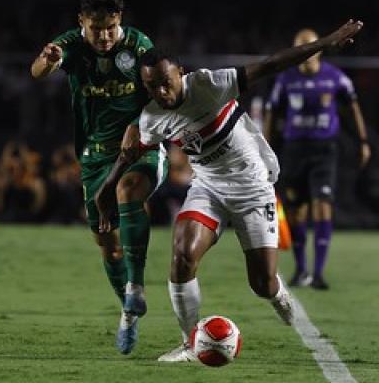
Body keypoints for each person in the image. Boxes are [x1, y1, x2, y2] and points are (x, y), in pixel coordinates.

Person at [95, 19, 363, 361]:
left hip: (253, 187)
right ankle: (189, 343)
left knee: (262, 285)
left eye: (166, 83)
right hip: (208, 189)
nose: (161, 93)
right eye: (151, 87)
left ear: (181, 72)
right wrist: (107, 188)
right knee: (181, 257)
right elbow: (129, 153)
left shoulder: (209, 84)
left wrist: (325, 42)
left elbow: (270, 64)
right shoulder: (153, 117)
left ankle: (279, 295)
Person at [30, 0, 167, 354]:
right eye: (95, 28)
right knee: (108, 246)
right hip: (94, 155)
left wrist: (145, 125)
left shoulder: (139, 47)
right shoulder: (71, 44)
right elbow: (39, 70)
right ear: (82, 22)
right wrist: (49, 59)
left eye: (110, 27)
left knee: (128, 191)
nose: (104, 36)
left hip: (142, 145)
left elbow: (162, 92)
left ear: (119, 20)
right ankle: (128, 312)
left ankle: (136, 286)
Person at [264, 28, 371, 290]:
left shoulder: (335, 78)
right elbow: (272, 112)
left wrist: (363, 141)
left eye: (308, 48)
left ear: (319, 50)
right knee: (297, 211)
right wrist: (264, 147)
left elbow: (353, 106)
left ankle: (319, 272)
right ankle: (301, 270)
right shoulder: (285, 80)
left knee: (322, 205)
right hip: (294, 149)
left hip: (324, 150)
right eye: (299, 48)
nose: (304, 54)